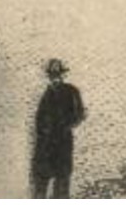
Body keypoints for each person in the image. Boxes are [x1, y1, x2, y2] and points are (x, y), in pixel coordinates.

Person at [30, 59, 85, 199]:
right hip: (45, 146)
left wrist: (64, 126)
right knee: (40, 182)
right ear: (49, 76)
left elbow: (80, 114)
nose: (55, 78)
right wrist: (43, 136)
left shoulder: (72, 91)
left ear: (63, 75)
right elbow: (39, 121)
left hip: (63, 143)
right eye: (52, 75)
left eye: (58, 74)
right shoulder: (46, 94)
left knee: (62, 182)